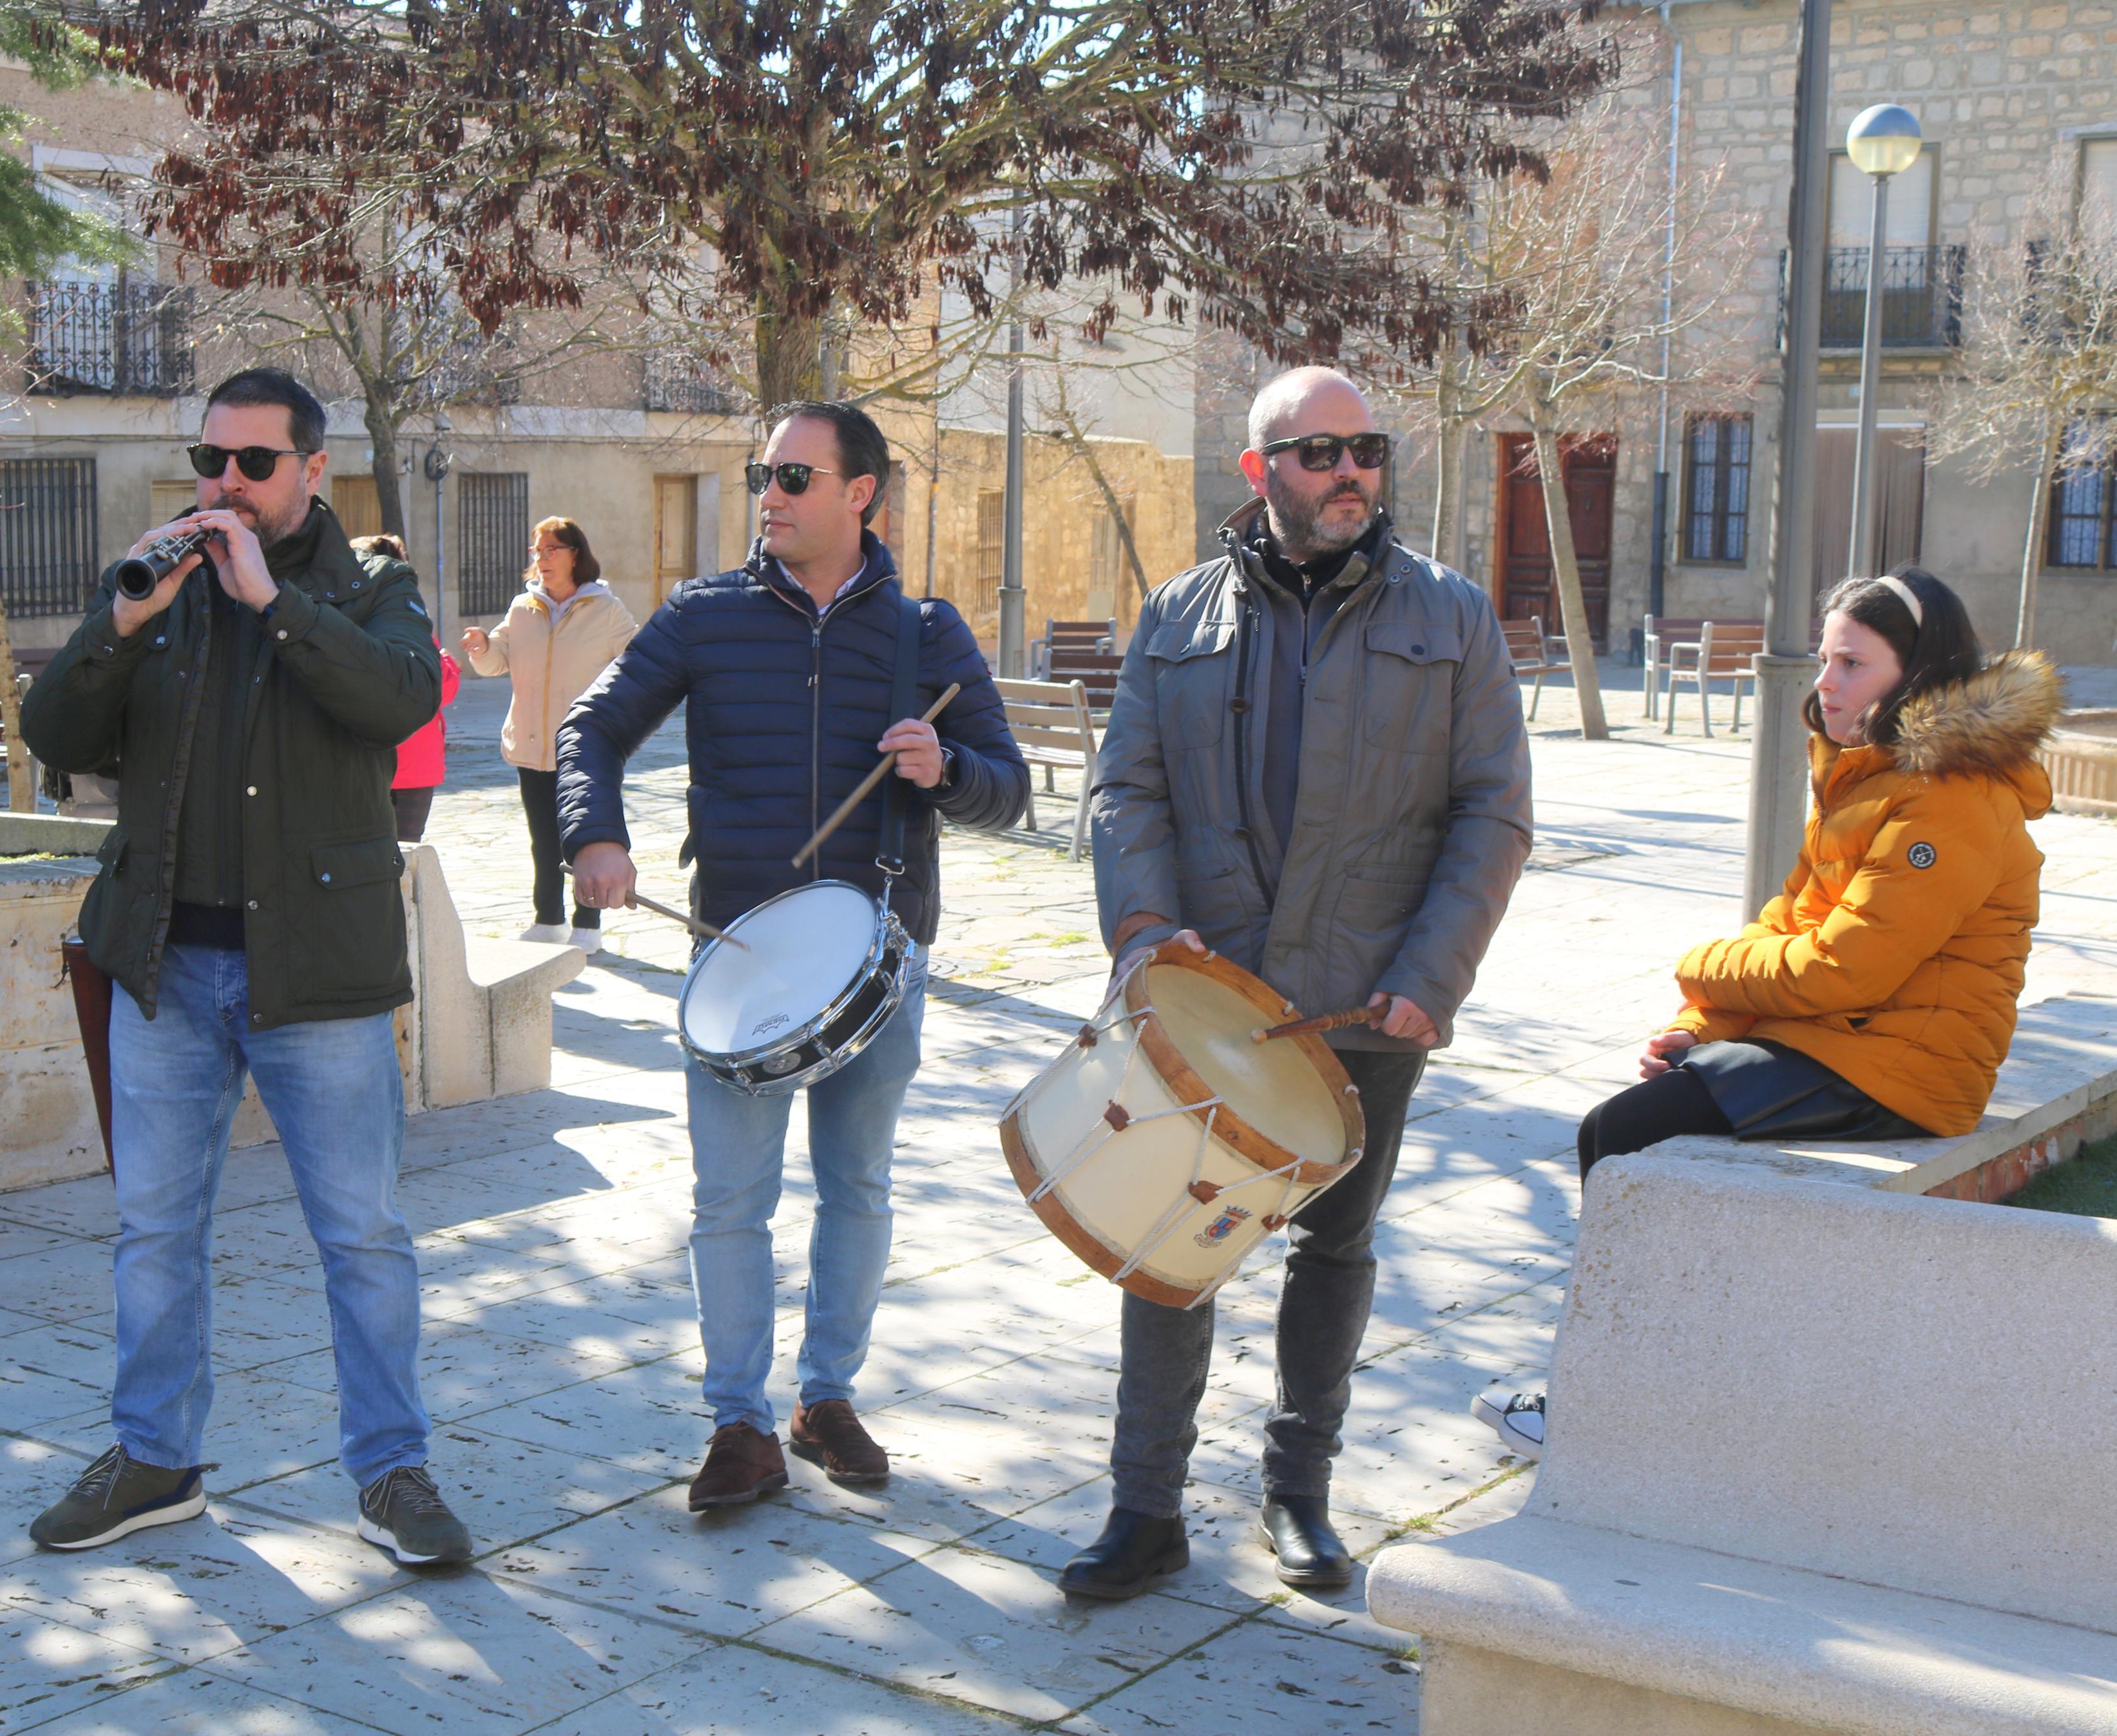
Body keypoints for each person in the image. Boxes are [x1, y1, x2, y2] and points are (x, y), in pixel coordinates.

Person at [1062, 366, 1533, 1600]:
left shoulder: (1451, 617)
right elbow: (1125, 789)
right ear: (1258, 469)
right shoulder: (1177, 613)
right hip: (1208, 1001)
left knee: (1334, 1248)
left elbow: (1493, 813)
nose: (1350, 474)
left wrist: (1432, 974)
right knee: (1172, 1248)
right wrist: (1145, 928)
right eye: (1320, 453)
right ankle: (1144, 1508)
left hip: (1368, 1006)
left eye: (1366, 451)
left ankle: (1297, 1495)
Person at [18, 367, 474, 1566]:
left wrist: (272, 602)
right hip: (163, 968)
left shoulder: (371, 587)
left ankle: (392, 1476)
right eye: (209, 461)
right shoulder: (158, 586)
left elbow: (396, 699)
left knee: (362, 1236)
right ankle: (155, 1461)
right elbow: (54, 733)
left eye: (252, 464)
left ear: (311, 472)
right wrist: (117, 624)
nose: (224, 485)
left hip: (315, 975)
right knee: (154, 1232)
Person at [559, 400, 1030, 1511]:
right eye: (760, 475)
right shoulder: (705, 616)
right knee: (729, 1201)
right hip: (736, 954)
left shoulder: (926, 632)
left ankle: (827, 1399)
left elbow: (1004, 789)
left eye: (791, 479)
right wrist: (594, 835)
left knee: (855, 1188)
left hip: (879, 958)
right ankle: (739, 1423)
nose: (765, 496)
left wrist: (941, 770)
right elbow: (593, 728)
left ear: (859, 493)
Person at [1474, 569, 2058, 1458]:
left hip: (1909, 1068)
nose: (1824, 681)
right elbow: (1788, 921)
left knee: (1621, 1130)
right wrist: (1702, 1029)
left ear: (1915, 674)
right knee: (1641, 1126)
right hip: (1846, 1042)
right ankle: (1622, 1386)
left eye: (1851, 663)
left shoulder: (1949, 796)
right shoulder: (1867, 776)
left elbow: (1839, 967)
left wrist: (1694, 968)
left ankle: (1600, 1407)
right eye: (1824, 657)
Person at [463, 517, 638, 953]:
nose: (542, 559)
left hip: (586, 748)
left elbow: (638, 664)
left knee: (585, 838)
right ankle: (548, 918)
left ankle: (587, 925)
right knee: (543, 839)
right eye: (536, 552)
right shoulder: (524, 608)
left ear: (575, 553)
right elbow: (495, 661)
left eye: (551, 550)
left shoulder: (606, 609)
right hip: (531, 743)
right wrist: (482, 647)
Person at [356, 531, 459, 843]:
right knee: (404, 854)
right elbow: (443, 688)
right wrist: (448, 662)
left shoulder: (350, 624)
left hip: (368, 764)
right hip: (416, 767)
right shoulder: (412, 624)